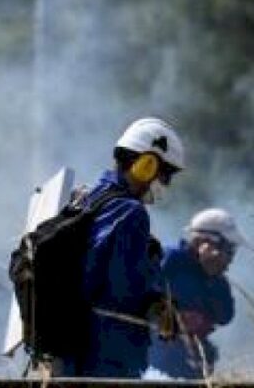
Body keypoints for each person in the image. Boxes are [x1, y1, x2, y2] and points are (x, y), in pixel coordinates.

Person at [57, 117, 185, 378]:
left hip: (74, 353)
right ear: (147, 165)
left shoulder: (90, 198)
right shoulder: (131, 212)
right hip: (107, 356)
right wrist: (158, 305)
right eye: (165, 175)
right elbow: (125, 291)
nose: (165, 185)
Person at [149, 208, 246, 379]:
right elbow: (142, 297)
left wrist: (212, 276)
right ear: (206, 242)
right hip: (159, 356)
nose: (231, 258)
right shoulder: (171, 259)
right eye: (229, 249)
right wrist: (173, 317)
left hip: (193, 358)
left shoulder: (216, 277)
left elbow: (225, 316)